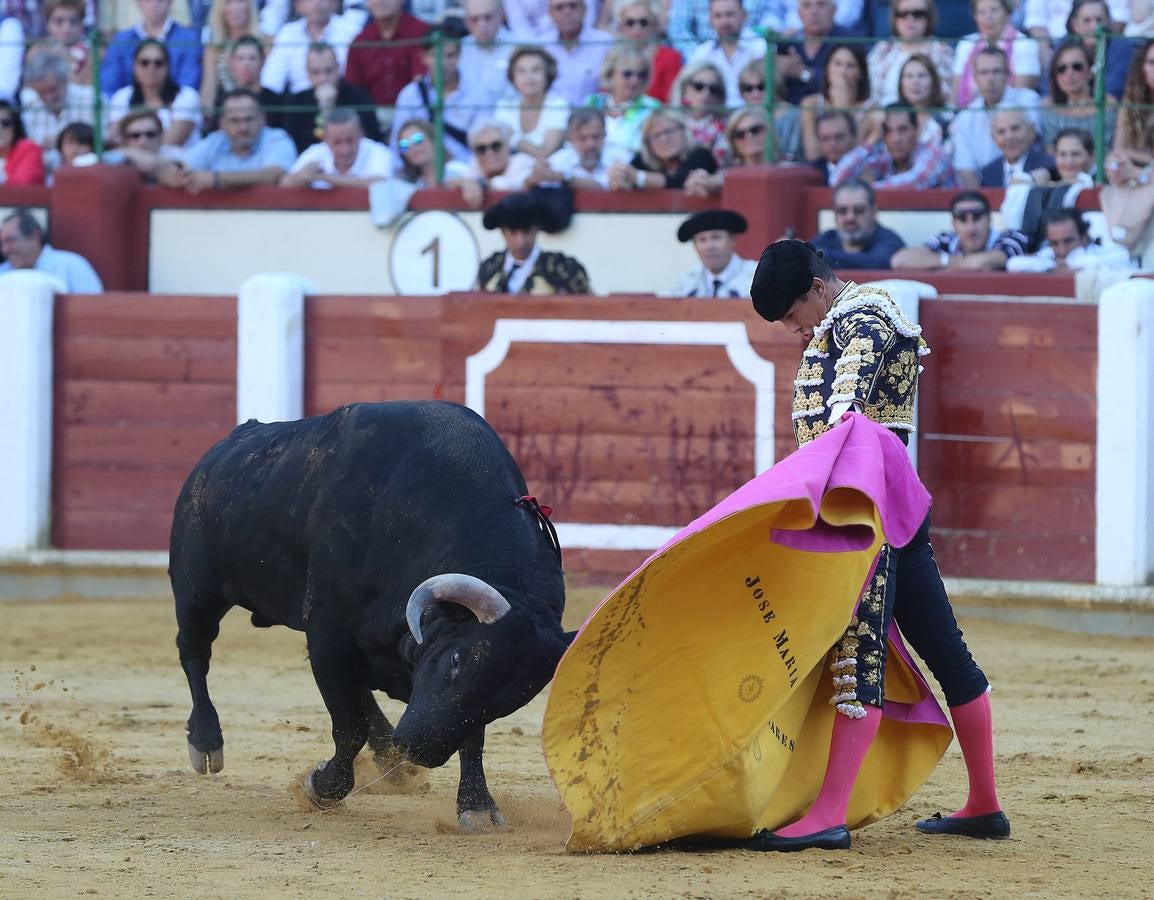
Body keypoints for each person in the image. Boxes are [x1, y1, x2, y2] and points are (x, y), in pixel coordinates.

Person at [743, 238, 1009, 851]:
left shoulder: (861, 318)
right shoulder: (852, 317)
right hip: (890, 508)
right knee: (948, 655)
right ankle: (984, 804)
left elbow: (847, 402)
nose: (791, 329)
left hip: (862, 516)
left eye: (790, 314)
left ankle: (828, 814)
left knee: (857, 653)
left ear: (815, 287)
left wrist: (831, 450)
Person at [159, 88, 296, 191]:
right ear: (222, 124)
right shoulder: (215, 142)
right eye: (234, 121)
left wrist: (216, 179)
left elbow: (273, 175)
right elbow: (182, 167)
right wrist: (177, 176)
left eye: (249, 119)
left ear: (262, 119)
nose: (243, 127)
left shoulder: (277, 139)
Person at [390, 22, 483, 164]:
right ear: (423, 57)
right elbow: (400, 145)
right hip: (421, 175)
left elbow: (483, 144)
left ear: (459, 55)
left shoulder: (477, 94)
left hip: (466, 173)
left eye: (450, 55)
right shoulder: (409, 95)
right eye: (435, 56)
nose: (443, 62)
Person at [951, 46, 1042, 188]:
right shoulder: (965, 117)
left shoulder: (1028, 100)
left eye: (996, 71)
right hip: (987, 190)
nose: (990, 78)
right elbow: (966, 171)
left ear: (1008, 75)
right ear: (975, 78)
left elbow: (1035, 148)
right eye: (984, 72)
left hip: (1031, 186)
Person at [476, 191, 591, 294]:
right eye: (513, 232)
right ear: (503, 232)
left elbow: (588, 308)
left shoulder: (563, 269)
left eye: (527, 232)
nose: (521, 241)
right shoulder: (488, 268)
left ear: (537, 229)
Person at [282, 42, 381, 154]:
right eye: (316, 72)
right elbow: (293, 147)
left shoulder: (360, 98)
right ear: (308, 74)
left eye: (328, 71)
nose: (323, 78)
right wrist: (324, 109)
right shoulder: (297, 103)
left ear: (338, 69)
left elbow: (372, 141)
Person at [891, 190, 1028, 270]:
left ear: (989, 219)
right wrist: (948, 262)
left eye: (977, 218)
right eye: (963, 219)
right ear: (954, 224)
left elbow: (979, 264)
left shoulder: (1012, 237)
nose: (971, 228)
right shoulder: (946, 239)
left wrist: (940, 265)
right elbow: (899, 260)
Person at [832, 105, 958, 189]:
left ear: (916, 130)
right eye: (888, 131)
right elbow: (837, 180)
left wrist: (862, 189)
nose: (895, 138)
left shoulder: (934, 153)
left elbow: (913, 181)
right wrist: (872, 138)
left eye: (902, 130)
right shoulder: (885, 160)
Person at [107, 39, 203, 149]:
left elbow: (170, 143)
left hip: (175, 163)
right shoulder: (122, 96)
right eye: (144, 62)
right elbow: (113, 139)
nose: (151, 68)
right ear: (134, 66)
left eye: (158, 63)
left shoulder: (187, 96)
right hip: (131, 163)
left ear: (168, 66)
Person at [100, 0, 202, 96]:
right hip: (130, 111)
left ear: (170, 2)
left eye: (160, 0)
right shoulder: (121, 40)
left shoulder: (189, 39)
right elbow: (109, 85)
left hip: (174, 111)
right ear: (138, 2)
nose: (154, 5)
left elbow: (189, 84)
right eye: (148, 0)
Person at [262, 0, 362, 95]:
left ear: (334, 2)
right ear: (298, 5)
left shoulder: (351, 32)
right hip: (300, 105)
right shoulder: (287, 33)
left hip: (343, 101)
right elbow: (271, 83)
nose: (317, 3)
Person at [608, 108, 719, 194]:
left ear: (683, 130)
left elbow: (680, 182)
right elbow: (627, 180)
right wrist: (621, 181)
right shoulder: (641, 161)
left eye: (669, 131)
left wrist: (638, 177)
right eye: (657, 135)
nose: (664, 139)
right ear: (647, 143)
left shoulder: (701, 155)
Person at [18, 46, 96, 167]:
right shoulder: (26, 104)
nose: (49, 97)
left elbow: (97, 140)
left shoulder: (90, 98)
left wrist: (53, 143)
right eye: (41, 92)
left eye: (52, 89)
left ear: (65, 80)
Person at [953, 0, 1041, 106]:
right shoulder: (966, 44)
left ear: (1007, 13)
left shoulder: (1025, 44)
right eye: (981, 12)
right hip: (971, 114)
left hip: (1012, 115)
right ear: (975, 17)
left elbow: (1021, 95)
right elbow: (955, 94)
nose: (988, 17)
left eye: (994, 11)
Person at [865, 0, 953, 106]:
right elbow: (867, 93)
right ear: (894, 18)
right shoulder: (882, 50)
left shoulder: (942, 51)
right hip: (884, 117)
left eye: (918, 14)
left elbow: (948, 97)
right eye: (902, 14)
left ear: (928, 18)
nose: (910, 19)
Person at [343, 0, 428, 109]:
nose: (380, 1)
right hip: (372, 115)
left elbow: (422, 81)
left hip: (415, 111)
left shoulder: (421, 32)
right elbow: (352, 90)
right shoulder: (360, 41)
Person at [799, 43, 877, 161]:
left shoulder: (871, 109)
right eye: (837, 64)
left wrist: (842, 104)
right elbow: (813, 154)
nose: (843, 72)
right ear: (828, 69)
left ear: (860, 73)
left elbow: (851, 153)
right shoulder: (810, 104)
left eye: (850, 66)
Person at [281, 107, 393, 188]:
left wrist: (323, 177)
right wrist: (302, 175)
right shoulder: (315, 152)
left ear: (361, 134)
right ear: (325, 139)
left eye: (350, 141)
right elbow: (285, 184)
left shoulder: (378, 151)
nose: (345, 150)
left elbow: (379, 184)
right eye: (337, 142)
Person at [685, 0, 766, 109]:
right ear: (710, 19)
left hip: (753, 117)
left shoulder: (761, 49)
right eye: (718, 16)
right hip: (714, 118)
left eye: (730, 14)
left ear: (744, 15)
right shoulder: (701, 54)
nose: (725, 22)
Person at [494, 46, 570, 161]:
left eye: (535, 70)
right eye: (521, 71)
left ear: (547, 74)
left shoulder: (558, 105)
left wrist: (513, 137)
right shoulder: (504, 107)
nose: (529, 77)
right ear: (512, 76)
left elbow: (544, 153)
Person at [583, 42, 660, 154]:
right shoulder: (592, 102)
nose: (635, 80)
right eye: (627, 74)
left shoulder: (652, 109)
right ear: (610, 74)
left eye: (641, 75)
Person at [810, 179, 905, 269]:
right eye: (842, 211)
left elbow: (878, 262)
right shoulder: (826, 238)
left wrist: (820, 256)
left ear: (874, 211)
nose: (850, 217)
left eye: (859, 210)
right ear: (834, 214)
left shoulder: (889, 240)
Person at [0, 209, 102, 292]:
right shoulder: (3, 272)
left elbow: (94, 309)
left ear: (34, 236)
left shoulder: (72, 265)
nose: (5, 249)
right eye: (2, 243)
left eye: (10, 241)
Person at [525, 107, 629, 189]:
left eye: (596, 137)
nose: (590, 144)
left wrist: (564, 178)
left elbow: (603, 187)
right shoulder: (558, 160)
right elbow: (531, 184)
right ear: (570, 139)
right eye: (582, 138)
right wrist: (534, 178)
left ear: (605, 135)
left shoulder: (621, 157)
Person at [1041, 39, 1116, 151]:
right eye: (1062, 69)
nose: (1069, 73)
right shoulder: (1047, 107)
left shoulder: (1107, 104)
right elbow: (1049, 152)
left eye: (1077, 67)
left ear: (1090, 72)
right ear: (1055, 76)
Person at [1006, 206, 1135, 271]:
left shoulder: (1110, 252)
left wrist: (1066, 263)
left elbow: (1121, 259)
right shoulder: (1049, 255)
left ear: (1084, 238)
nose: (1062, 250)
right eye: (1055, 243)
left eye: (1068, 241)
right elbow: (1013, 264)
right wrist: (1052, 264)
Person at [540, 0, 614, 107]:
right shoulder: (541, 46)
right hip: (551, 115)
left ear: (585, 9)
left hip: (594, 113)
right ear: (551, 13)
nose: (567, 12)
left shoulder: (605, 43)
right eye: (559, 8)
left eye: (573, 6)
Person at [669, 208, 757, 297]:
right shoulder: (687, 282)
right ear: (695, 246)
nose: (709, 247)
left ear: (732, 239)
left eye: (716, 237)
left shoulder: (755, 276)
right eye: (702, 240)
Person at [199, 0, 264, 119]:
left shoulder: (265, 43)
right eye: (228, 2)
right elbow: (208, 90)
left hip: (260, 110)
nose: (235, 8)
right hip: (224, 115)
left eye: (240, 1)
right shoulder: (213, 48)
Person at [613, 0, 682, 103]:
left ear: (655, 25)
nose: (637, 28)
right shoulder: (613, 58)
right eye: (630, 22)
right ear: (621, 27)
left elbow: (672, 101)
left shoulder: (670, 58)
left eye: (643, 22)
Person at [459, 0, 516, 108]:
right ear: (466, 22)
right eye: (474, 19)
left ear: (501, 15)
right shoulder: (459, 49)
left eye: (488, 17)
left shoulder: (520, 48)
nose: (482, 25)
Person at [669, 60, 728, 154]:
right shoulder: (668, 125)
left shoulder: (729, 128)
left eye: (713, 89)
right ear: (684, 89)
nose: (706, 93)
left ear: (720, 97)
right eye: (698, 86)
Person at [394, 118, 474, 185]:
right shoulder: (409, 184)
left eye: (417, 140)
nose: (412, 148)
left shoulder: (457, 170)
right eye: (404, 145)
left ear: (433, 140)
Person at [895, 53, 950, 146]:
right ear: (901, 83)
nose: (915, 82)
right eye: (909, 76)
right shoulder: (891, 116)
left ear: (933, 81)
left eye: (922, 76)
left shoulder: (948, 116)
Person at [42, 0, 93, 85]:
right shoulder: (37, 52)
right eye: (59, 21)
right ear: (48, 24)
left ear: (82, 24)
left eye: (73, 21)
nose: (66, 28)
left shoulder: (94, 53)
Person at [0, 100, 46, 185]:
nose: (0, 128)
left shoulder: (29, 149)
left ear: (15, 125)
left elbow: (22, 184)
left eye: (5, 123)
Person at [812, 108, 855, 184]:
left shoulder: (869, 169)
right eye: (825, 139)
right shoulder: (812, 172)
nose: (833, 144)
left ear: (854, 137)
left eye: (839, 137)